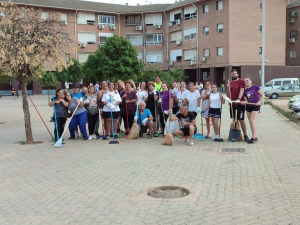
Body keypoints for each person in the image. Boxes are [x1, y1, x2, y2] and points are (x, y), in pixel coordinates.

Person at [226, 69, 249, 142]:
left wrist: (239, 99)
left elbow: (242, 90)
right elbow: (227, 95)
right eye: (232, 74)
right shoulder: (230, 83)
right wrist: (227, 87)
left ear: (237, 74)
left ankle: (245, 135)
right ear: (230, 75)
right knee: (235, 120)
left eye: (235, 73)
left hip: (240, 104)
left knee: (241, 120)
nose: (233, 75)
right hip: (232, 104)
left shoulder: (241, 81)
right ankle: (238, 136)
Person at [241, 77, 265, 144]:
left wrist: (259, 102)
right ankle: (255, 136)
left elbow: (262, 95)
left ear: (250, 81)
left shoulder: (256, 87)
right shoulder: (245, 91)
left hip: (256, 107)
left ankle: (253, 137)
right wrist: (244, 102)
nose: (246, 82)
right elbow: (246, 101)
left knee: (252, 121)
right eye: (245, 81)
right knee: (251, 122)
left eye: (247, 80)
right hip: (248, 107)